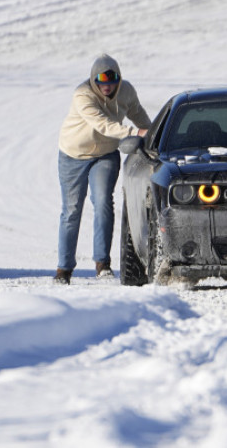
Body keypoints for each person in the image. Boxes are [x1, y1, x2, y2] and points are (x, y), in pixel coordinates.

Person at [54, 54, 151, 284]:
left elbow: (138, 113)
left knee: (104, 203)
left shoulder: (126, 90)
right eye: (101, 82)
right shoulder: (82, 95)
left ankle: (102, 264)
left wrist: (152, 133)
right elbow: (103, 125)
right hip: (73, 154)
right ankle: (63, 270)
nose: (107, 86)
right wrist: (135, 134)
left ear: (119, 79)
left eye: (112, 81)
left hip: (106, 154)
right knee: (72, 210)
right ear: (93, 81)